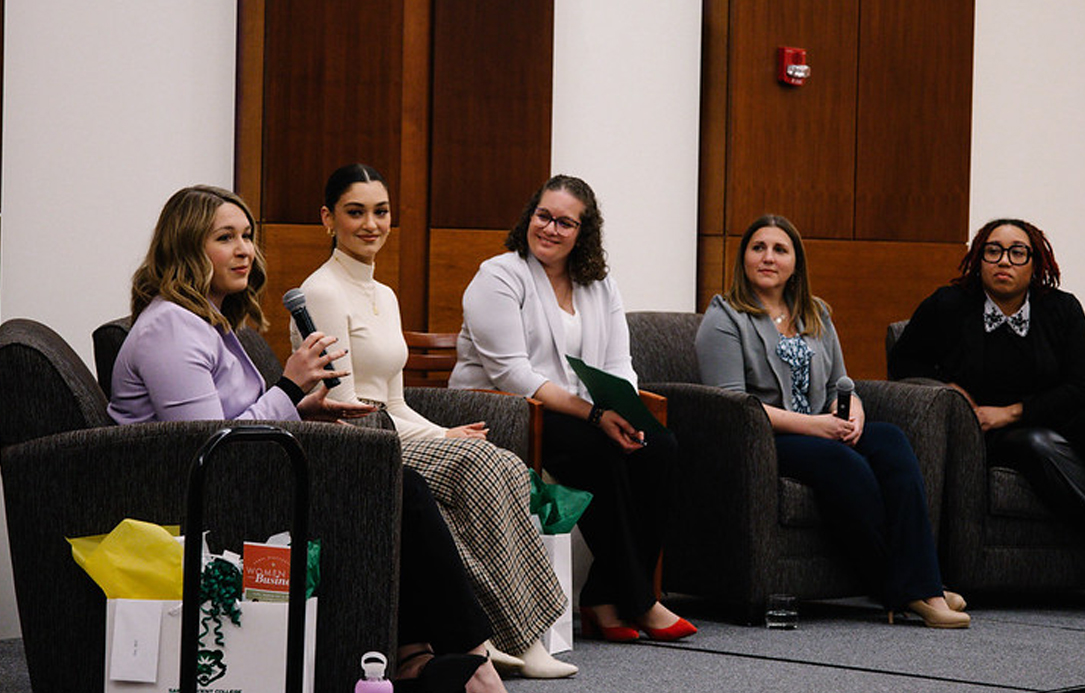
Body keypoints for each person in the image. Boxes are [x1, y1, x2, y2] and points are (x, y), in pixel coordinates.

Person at [108, 184, 508, 693]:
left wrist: (300, 409)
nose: (244, 250)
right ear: (186, 248)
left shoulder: (208, 322)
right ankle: (471, 661)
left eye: (248, 236)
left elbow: (233, 423)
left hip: (245, 481)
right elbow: (209, 447)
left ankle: (414, 652)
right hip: (201, 507)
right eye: (225, 238)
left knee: (394, 483)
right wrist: (290, 385)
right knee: (399, 489)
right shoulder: (170, 328)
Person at [292, 164, 574, 678]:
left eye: (381, 211)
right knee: (476, 465)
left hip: (389, 429)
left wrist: (443, 433)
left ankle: (508, 635)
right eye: (355, 212)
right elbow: (350, 407)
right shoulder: (323, 291)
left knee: (500, 461)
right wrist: (442, 442)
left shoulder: (385, 295)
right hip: (351, 439)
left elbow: (395, 403)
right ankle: (507, 640)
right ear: (328, 219)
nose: (371, 224)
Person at [888, 217, 1085, 626]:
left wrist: (1014, 410)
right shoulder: (948, 306)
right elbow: (904, 362)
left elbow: (1084, 387)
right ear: (979, 260)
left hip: (1057, 416)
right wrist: (951, 390)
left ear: (1036, 263)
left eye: (1017, 252)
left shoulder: (1062, 309)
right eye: (993, 251)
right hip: (990, 436)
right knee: (1040, 442)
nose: (1004, 262)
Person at [450, 175, 696, 643]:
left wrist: (620, 408)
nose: (551, 229)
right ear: (530, 217)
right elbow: (513, 376)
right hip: (510, 412)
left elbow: (619, 362)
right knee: (599, 452)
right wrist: (595, 416)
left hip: (582, 412)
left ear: (583, 234)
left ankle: (602, 596)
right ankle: (640, 601)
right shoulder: (499, 276)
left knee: (659, 446)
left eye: (566, 222)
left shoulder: (599, 284)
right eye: (544, 216)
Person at [695, 214, 969, 629]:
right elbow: (733, 406)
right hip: (766, 441)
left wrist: (854, 408)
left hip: (821, 430)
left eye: (780, 249)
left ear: (795, 264)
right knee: (842, 463)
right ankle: (913, 589)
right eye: (758, 248)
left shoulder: (815, 313)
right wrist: (816, 427)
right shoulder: (725, 318)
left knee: (891, 441)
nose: (768, 257)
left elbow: (841, 384)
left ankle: (921, 582)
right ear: (743, 258)